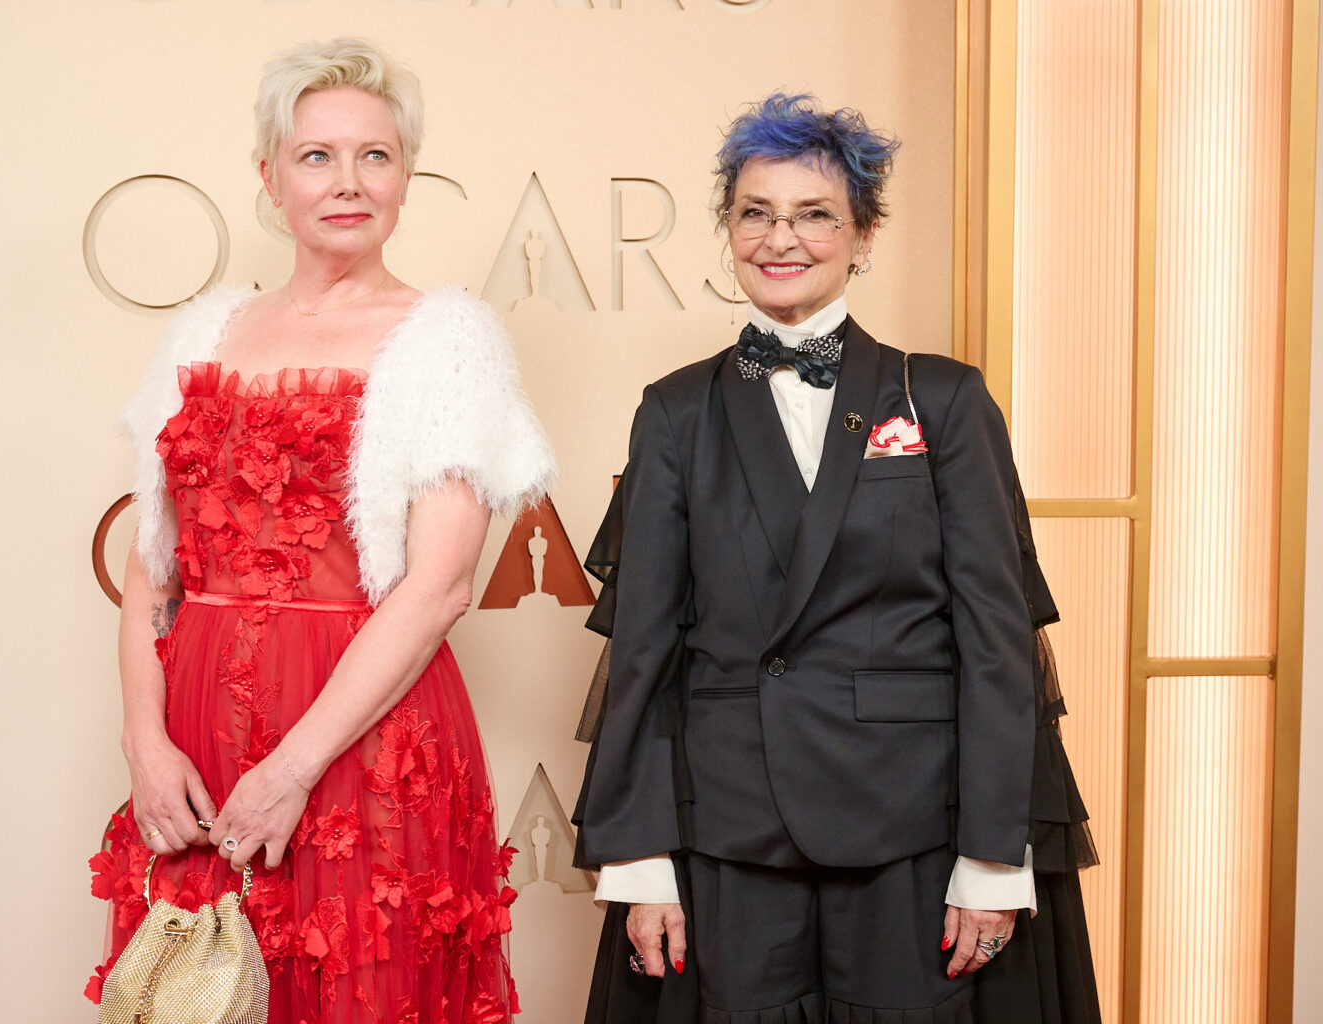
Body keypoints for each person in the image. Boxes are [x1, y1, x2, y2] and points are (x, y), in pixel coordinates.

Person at [573, 92, 1097, 1023]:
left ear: (863, 235)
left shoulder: (942, 398)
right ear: (728, 233)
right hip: (727, 829)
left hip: (914, 830)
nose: (782, 238)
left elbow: (994, 639)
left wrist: (990, 861)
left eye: (815, 214)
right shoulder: (675, 411)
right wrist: (639, 859)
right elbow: (644, 652)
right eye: (756, 213)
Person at [84, 38, 554, 1022]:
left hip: (363, 742)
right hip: (197, 736)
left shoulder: (447, 339)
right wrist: (142, 740)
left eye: (375, 156)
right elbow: (151, 568)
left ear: (406, 176)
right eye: (316, 156)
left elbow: (439, 587)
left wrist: (292, 770)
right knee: (192, 992)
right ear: (269, 176)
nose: (348, 183)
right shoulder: (205, 332)